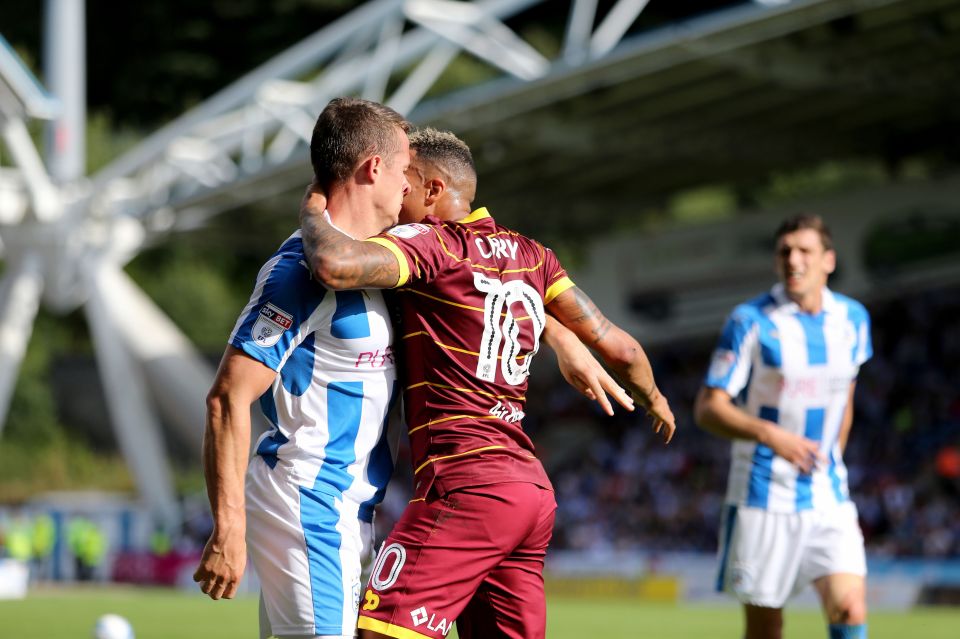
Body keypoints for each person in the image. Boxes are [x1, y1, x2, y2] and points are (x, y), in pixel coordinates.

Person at [193, 100, 629, 639]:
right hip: (307, 502)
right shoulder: (300, 273)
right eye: (404, 170)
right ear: (374, 169)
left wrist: (558, 334)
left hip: (355, 510)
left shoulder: (385, 268)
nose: (411, 187)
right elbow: (228, 397)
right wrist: (228, 526)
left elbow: (480, 294)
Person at [299, 127, 676, 639]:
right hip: (529, 491)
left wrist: (313, 207)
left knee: (380, 634)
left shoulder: (431, 244)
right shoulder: (533, 256)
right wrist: (652, 398)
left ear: (433, 191)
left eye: (406, 186)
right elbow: (623, 349)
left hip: (465, 483)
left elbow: (333, 265)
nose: (397, 197)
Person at [693, 214, 871, 639]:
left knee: (849, 607)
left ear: (828, 260)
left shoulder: (853, 319)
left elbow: (846, 395)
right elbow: (707, 408)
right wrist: (771, 435)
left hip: (827, 493)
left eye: (805, 251)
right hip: (762, 495)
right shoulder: (750, 321)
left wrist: (834, 459)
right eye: (784, 252)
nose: (794, 260)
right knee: (766, 627)